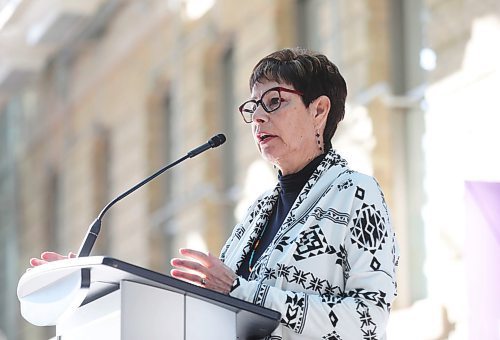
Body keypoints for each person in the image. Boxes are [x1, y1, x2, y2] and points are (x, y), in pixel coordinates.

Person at [31, 48, 399, 340]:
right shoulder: (257, 214)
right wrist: (95, 285)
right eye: (254, 106)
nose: (258, 118)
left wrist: (246, 292)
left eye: (274, 101)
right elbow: (210, 311)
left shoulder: (355, 195)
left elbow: (367, 322)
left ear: (318, 110)